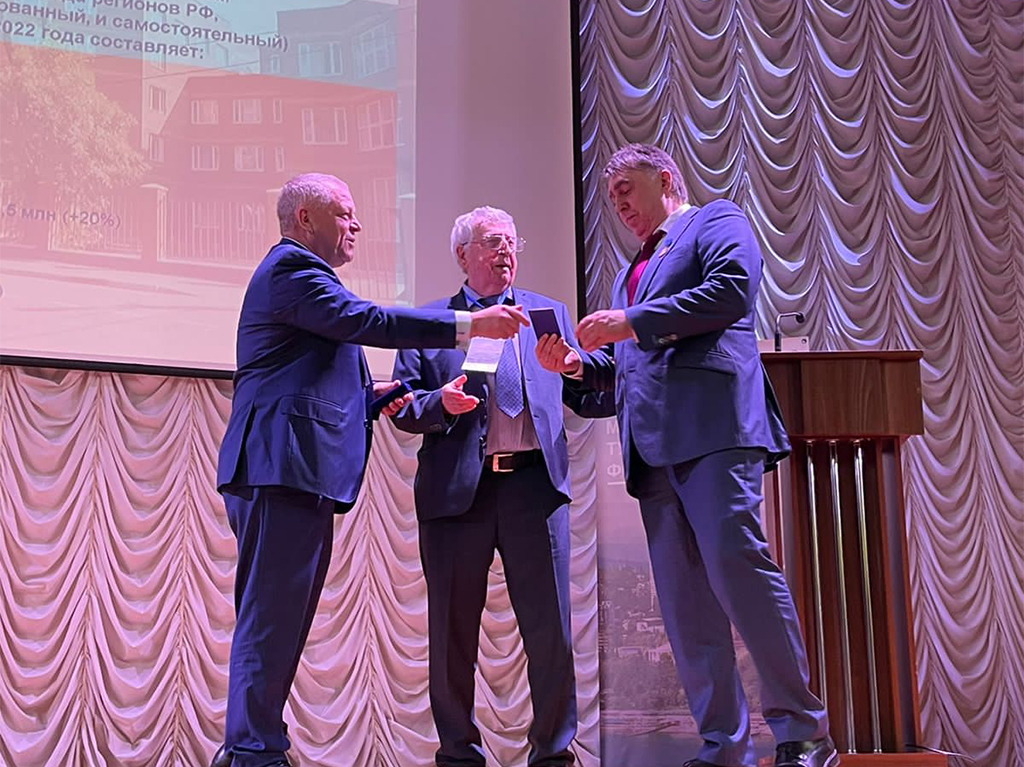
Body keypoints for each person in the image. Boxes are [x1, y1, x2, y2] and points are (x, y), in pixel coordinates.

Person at [211, 175, 528, 767]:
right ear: (305, 219)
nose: (357, 224)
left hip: (297, 473)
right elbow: (370, 322)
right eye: (345, 213)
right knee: (270, 623)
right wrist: (469, 326)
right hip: (281, 469)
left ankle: (255, 747)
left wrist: (373, 396)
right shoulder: (292, 270)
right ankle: (252, 752)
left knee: (283, 624)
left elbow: (305, 374)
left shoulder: (308, 279)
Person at [536, 146, 837, 767]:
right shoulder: (629, 273)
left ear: (666, 178)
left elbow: (730, 293)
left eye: (626, 186)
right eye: (611, 195)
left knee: (740, 574)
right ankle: (723, 746)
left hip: (714, 432)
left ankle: (805, 733)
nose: (617, 202)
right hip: (653, 454)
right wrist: (576, 366)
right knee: (685, 607)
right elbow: (622, 371)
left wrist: (630, 322)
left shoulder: (715, 220)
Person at [390, 206, 587, 767]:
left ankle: (553, 755)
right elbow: (404, 405)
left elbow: (583, 391)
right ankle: (458, 755)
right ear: (463, 255)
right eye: (492, 242)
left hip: (534, 490)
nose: (505, 251)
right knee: (452, 639)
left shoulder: (548, 315)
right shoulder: (432, 322)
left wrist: (575, 365)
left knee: (551, 634)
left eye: (511, 242)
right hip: (458, 497)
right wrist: (439, 403)